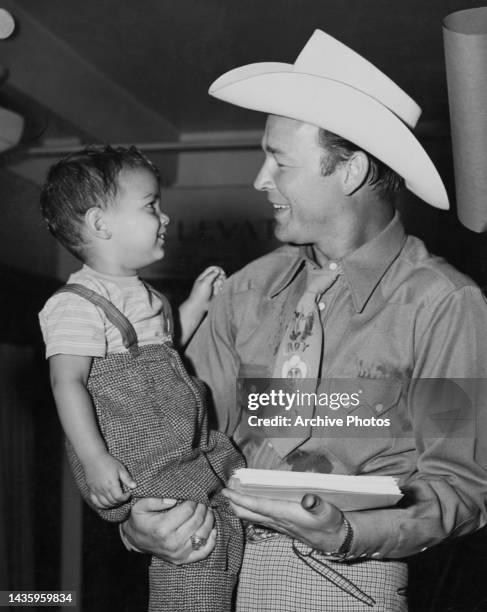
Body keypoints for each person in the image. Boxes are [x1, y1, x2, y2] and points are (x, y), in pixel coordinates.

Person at [121, 30, 487, 611]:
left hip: (345, 583)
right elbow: (178, 440)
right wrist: (138, 522)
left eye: (279, 160)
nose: (261, 179)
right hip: (208, 568)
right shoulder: (243, 293)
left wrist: (349, 533)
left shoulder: (444, 306)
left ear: (350, 171)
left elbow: (459, 487)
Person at [38, 145, 244, 612]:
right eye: (151, 206)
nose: (164, 216)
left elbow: (164, 347)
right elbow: (66, 382)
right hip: (147, 462)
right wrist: (94, 460)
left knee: (224, 531)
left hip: (185, 449)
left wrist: (195, 304)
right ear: (100, 224)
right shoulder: (77, 303)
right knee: (195, 554)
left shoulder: (143, 294)